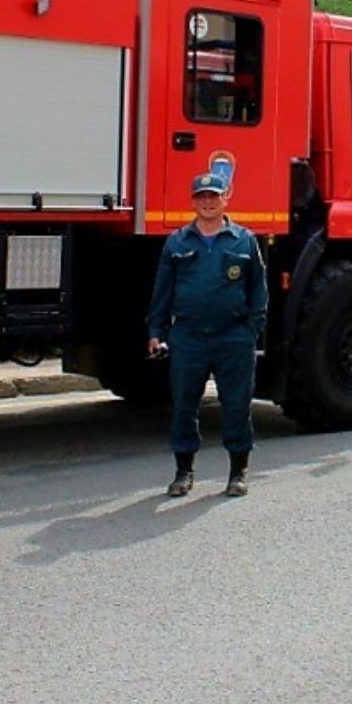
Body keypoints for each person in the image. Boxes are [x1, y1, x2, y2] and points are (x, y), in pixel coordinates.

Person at [147, 172, 268, 498]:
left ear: (225, 198)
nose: (208, 202)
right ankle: (184, 472)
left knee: (236, 406)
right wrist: (156, 331)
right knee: (185, 405)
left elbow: (258, 289)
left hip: (233, 337)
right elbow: (163, 291)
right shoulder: (177, 243)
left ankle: (238, 472)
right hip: (188, 337)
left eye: (214, 196)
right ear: (193, 201)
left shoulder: (244, 240)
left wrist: (251, 329)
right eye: (202, 197)